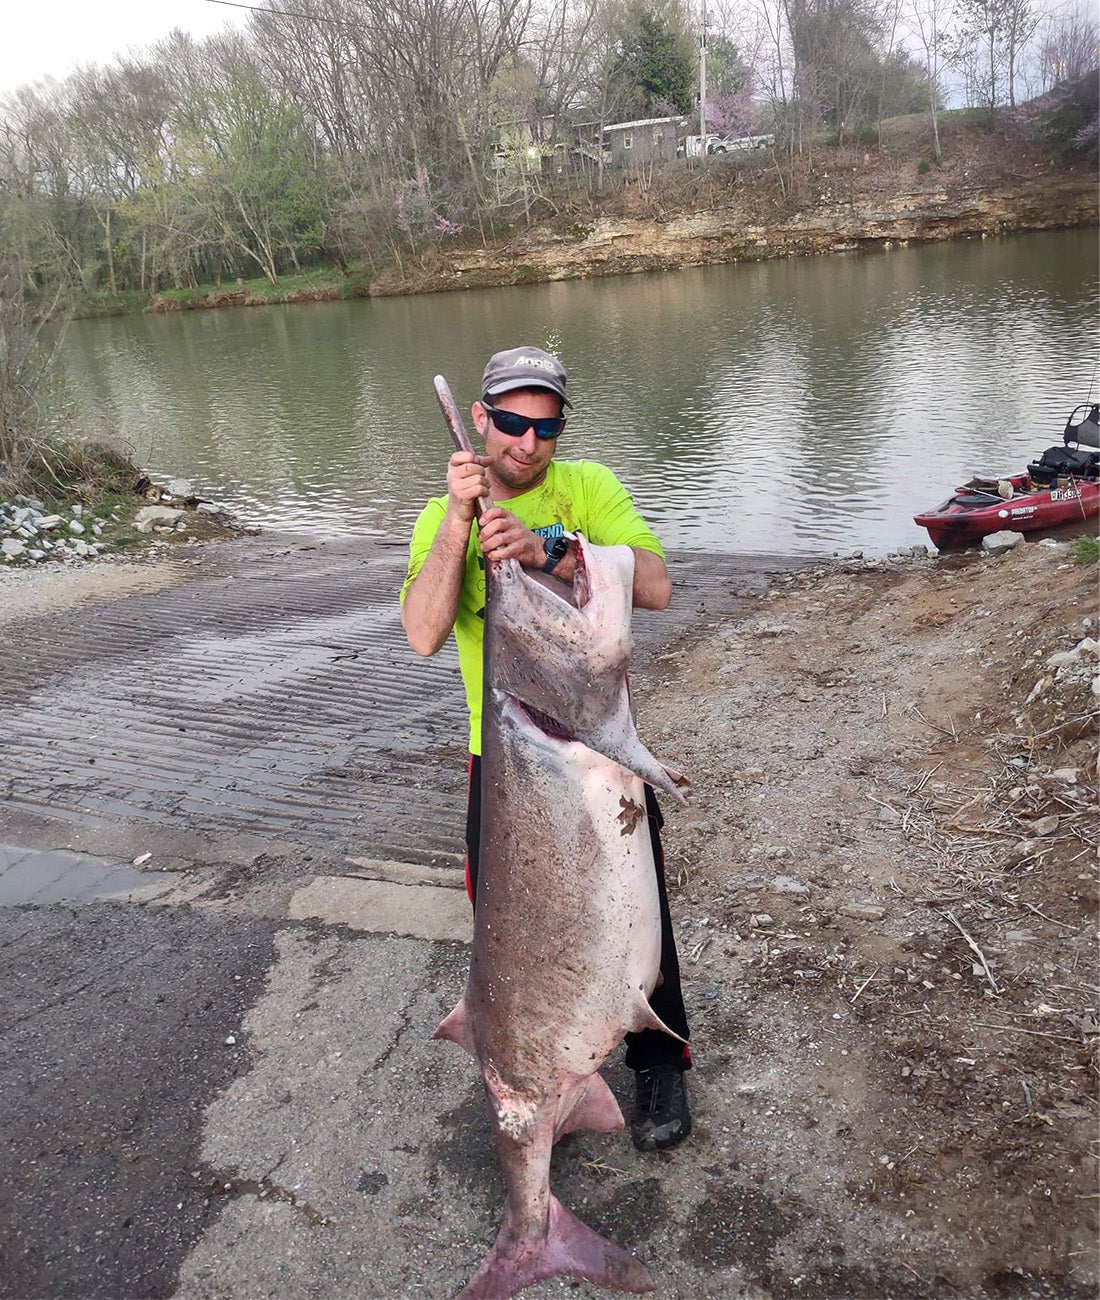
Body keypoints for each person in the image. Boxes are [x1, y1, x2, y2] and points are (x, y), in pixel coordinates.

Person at [400, 345, 692, 1150]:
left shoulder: (588, 489)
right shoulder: (440, 517)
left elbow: (660, 586)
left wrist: (547, 548)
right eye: (512, 424)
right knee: (511, 938)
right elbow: (423, 633)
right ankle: (542, 1081)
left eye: (547, 425)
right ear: (483, 419)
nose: (527, 443)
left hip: (600, 756)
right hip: (503, 766)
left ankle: (659, 1066)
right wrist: (460, 522)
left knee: (639, 919)